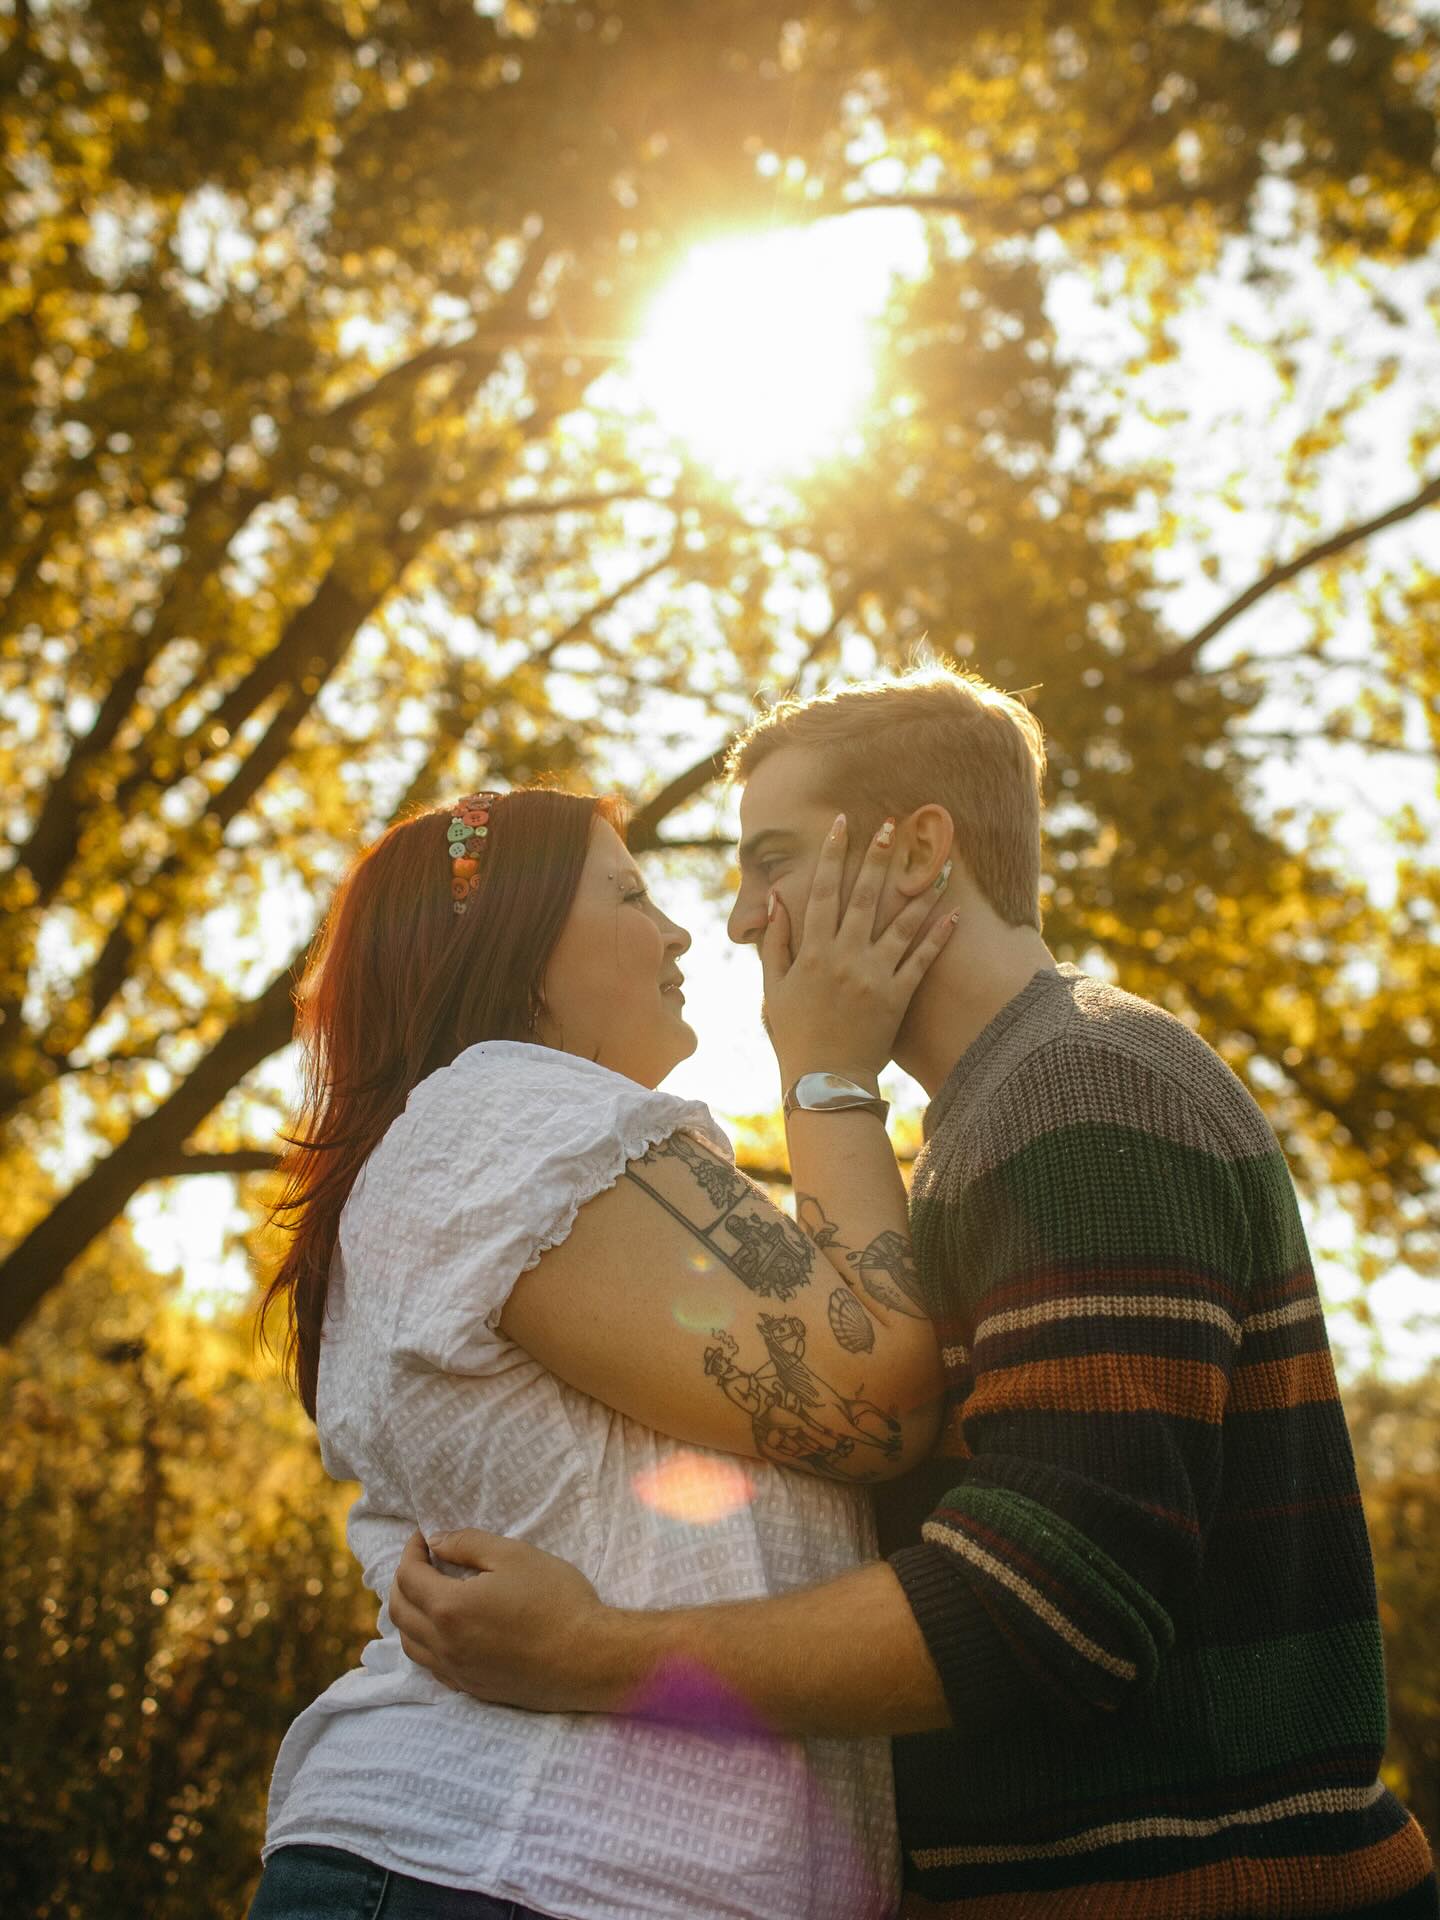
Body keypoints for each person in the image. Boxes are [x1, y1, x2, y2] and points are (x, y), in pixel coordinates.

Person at [390, 668, 1439, 1920]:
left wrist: (591, 1654)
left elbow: (1055, 1602)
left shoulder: (1086, 1085)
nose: (736, 922)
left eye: (769, 860)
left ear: (919, 851)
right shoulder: (986, 1126)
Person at [249, 783, 959, 1920]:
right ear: (516, 947)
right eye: (629, 893)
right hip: (502, 1867)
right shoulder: (506, 1115)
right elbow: (871, 1397)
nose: (681, 930)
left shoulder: (520, 1153)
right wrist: (828, 1069)